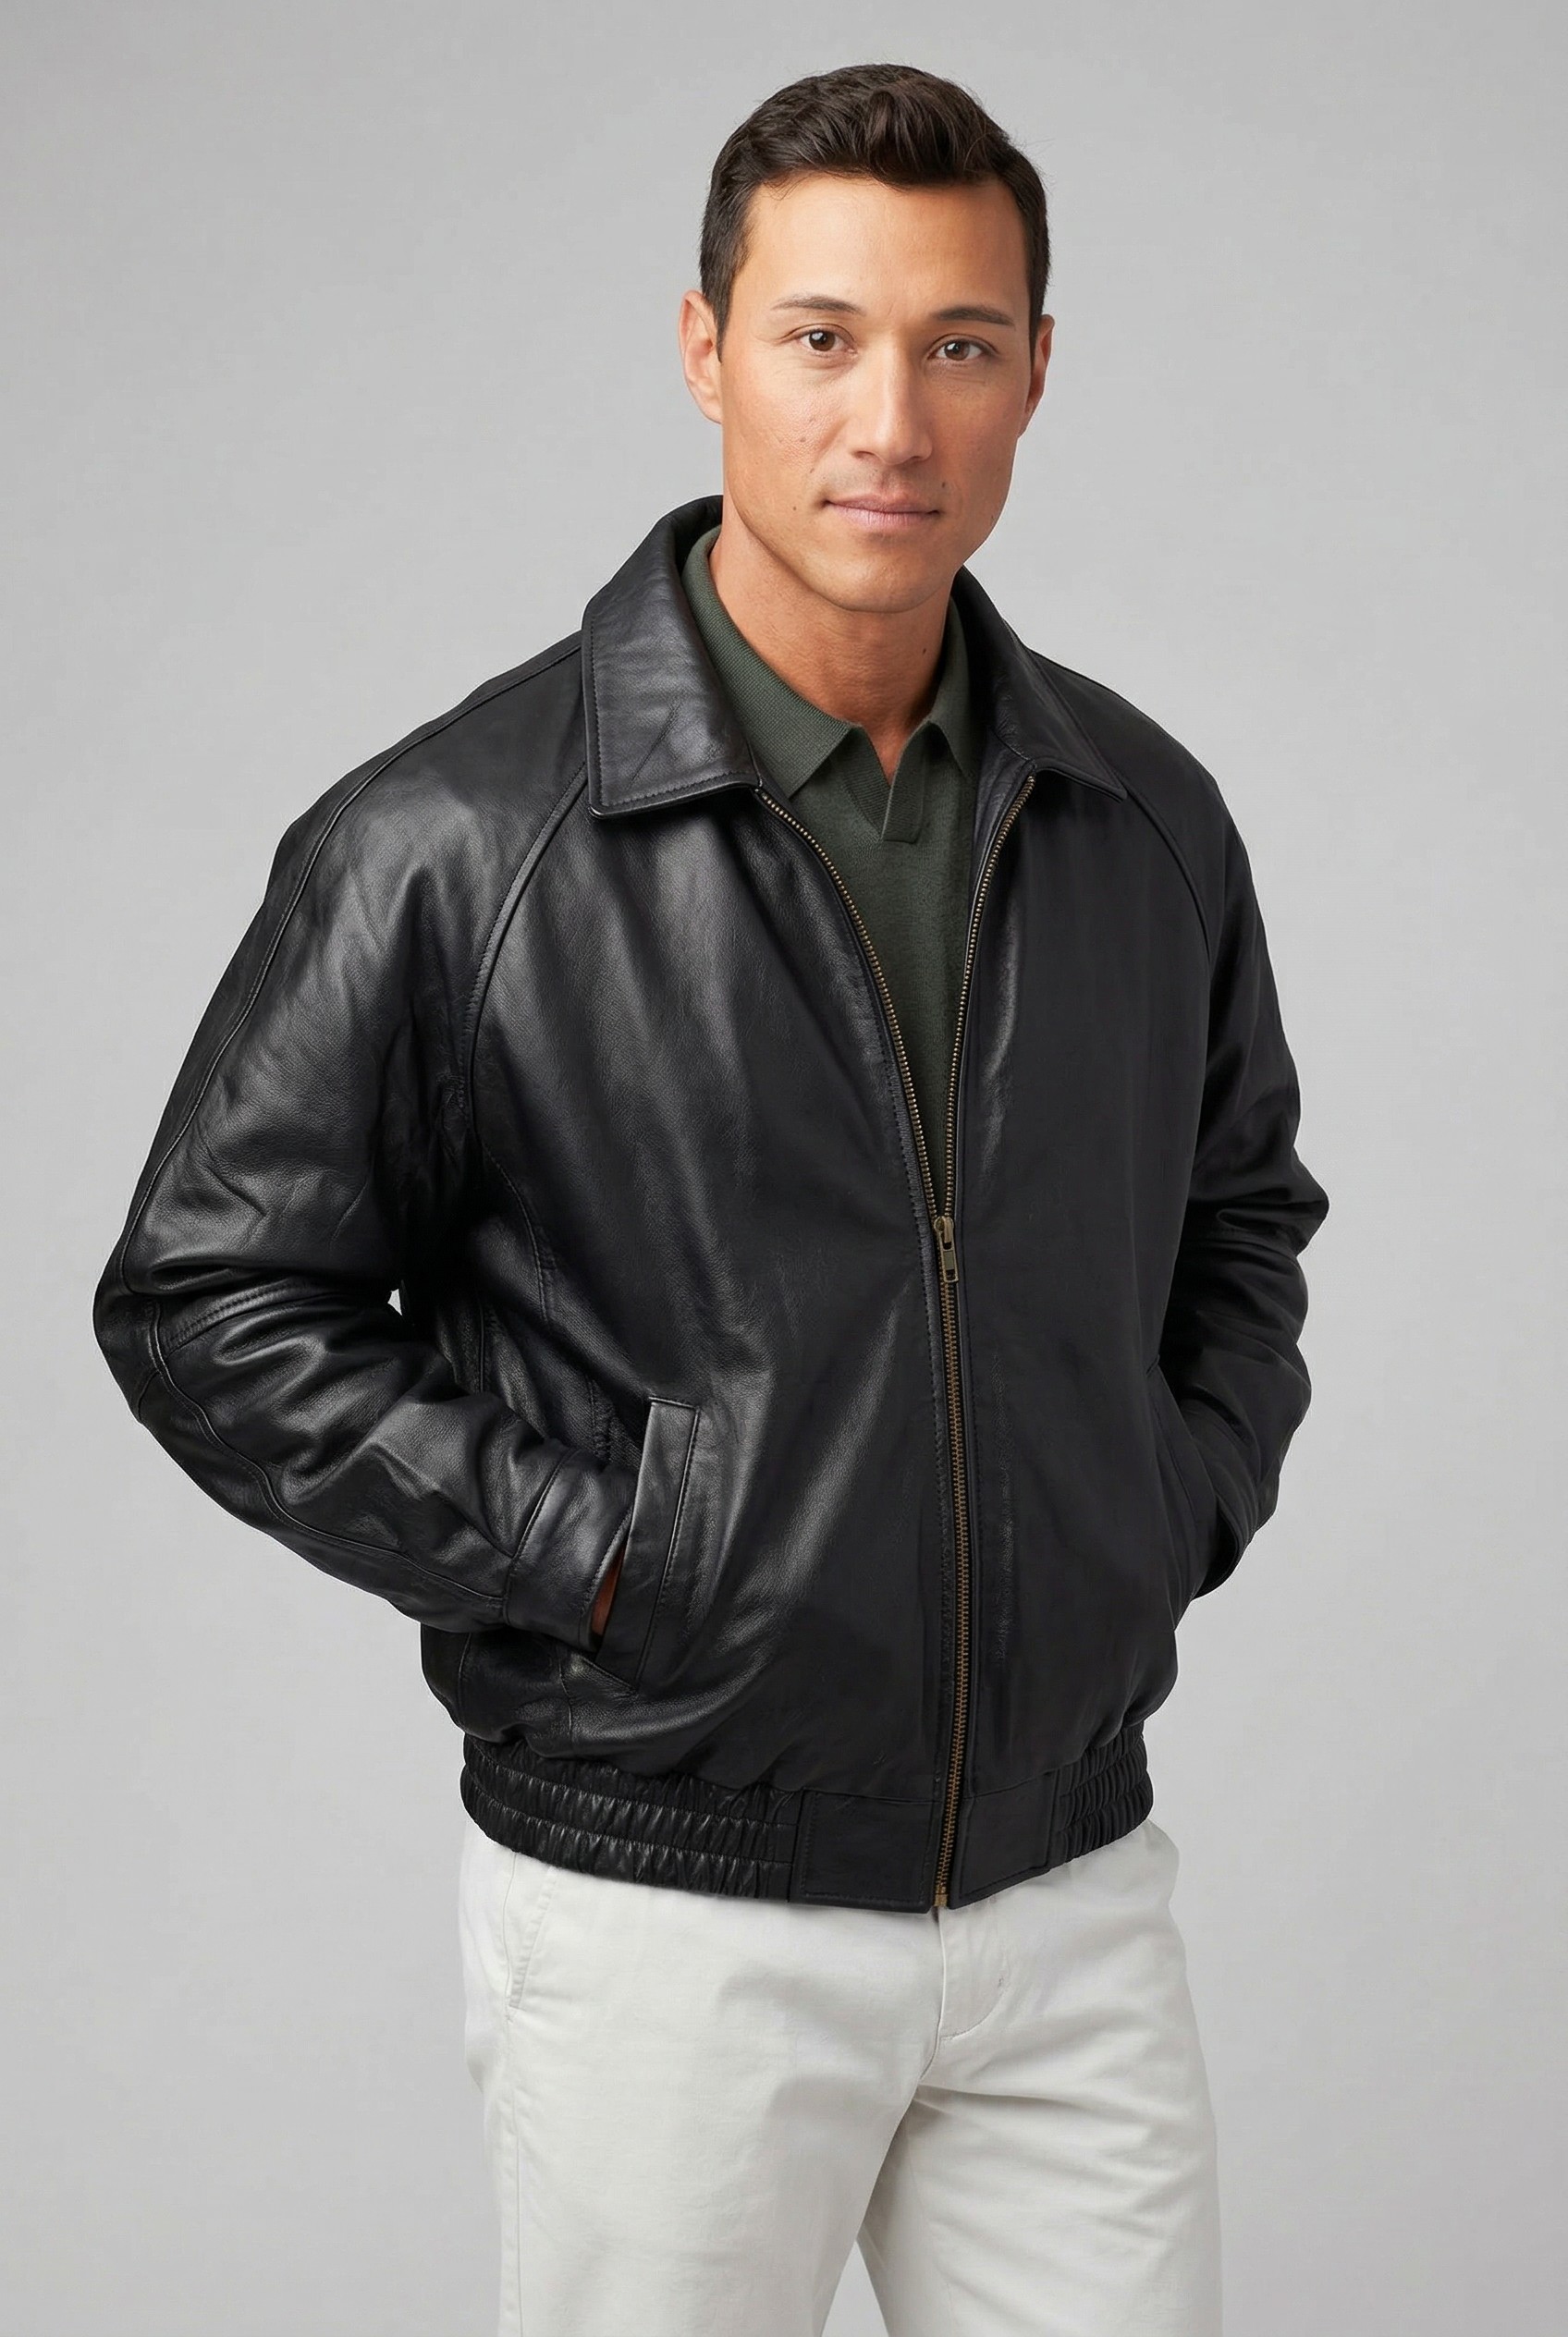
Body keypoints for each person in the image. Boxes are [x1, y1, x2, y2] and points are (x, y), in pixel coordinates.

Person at [92, 57, 1329, 2337]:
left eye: (958, 345)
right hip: (673, 1916)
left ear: (1036, 372)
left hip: (1064, 1892)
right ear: (703, 349)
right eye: (820, 337)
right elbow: (205, 1295)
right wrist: (607, 1555)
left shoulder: (1139, 818)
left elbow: (1239, 1221)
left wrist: (1152, 1509)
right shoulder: (462, 839)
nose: (891, 420)